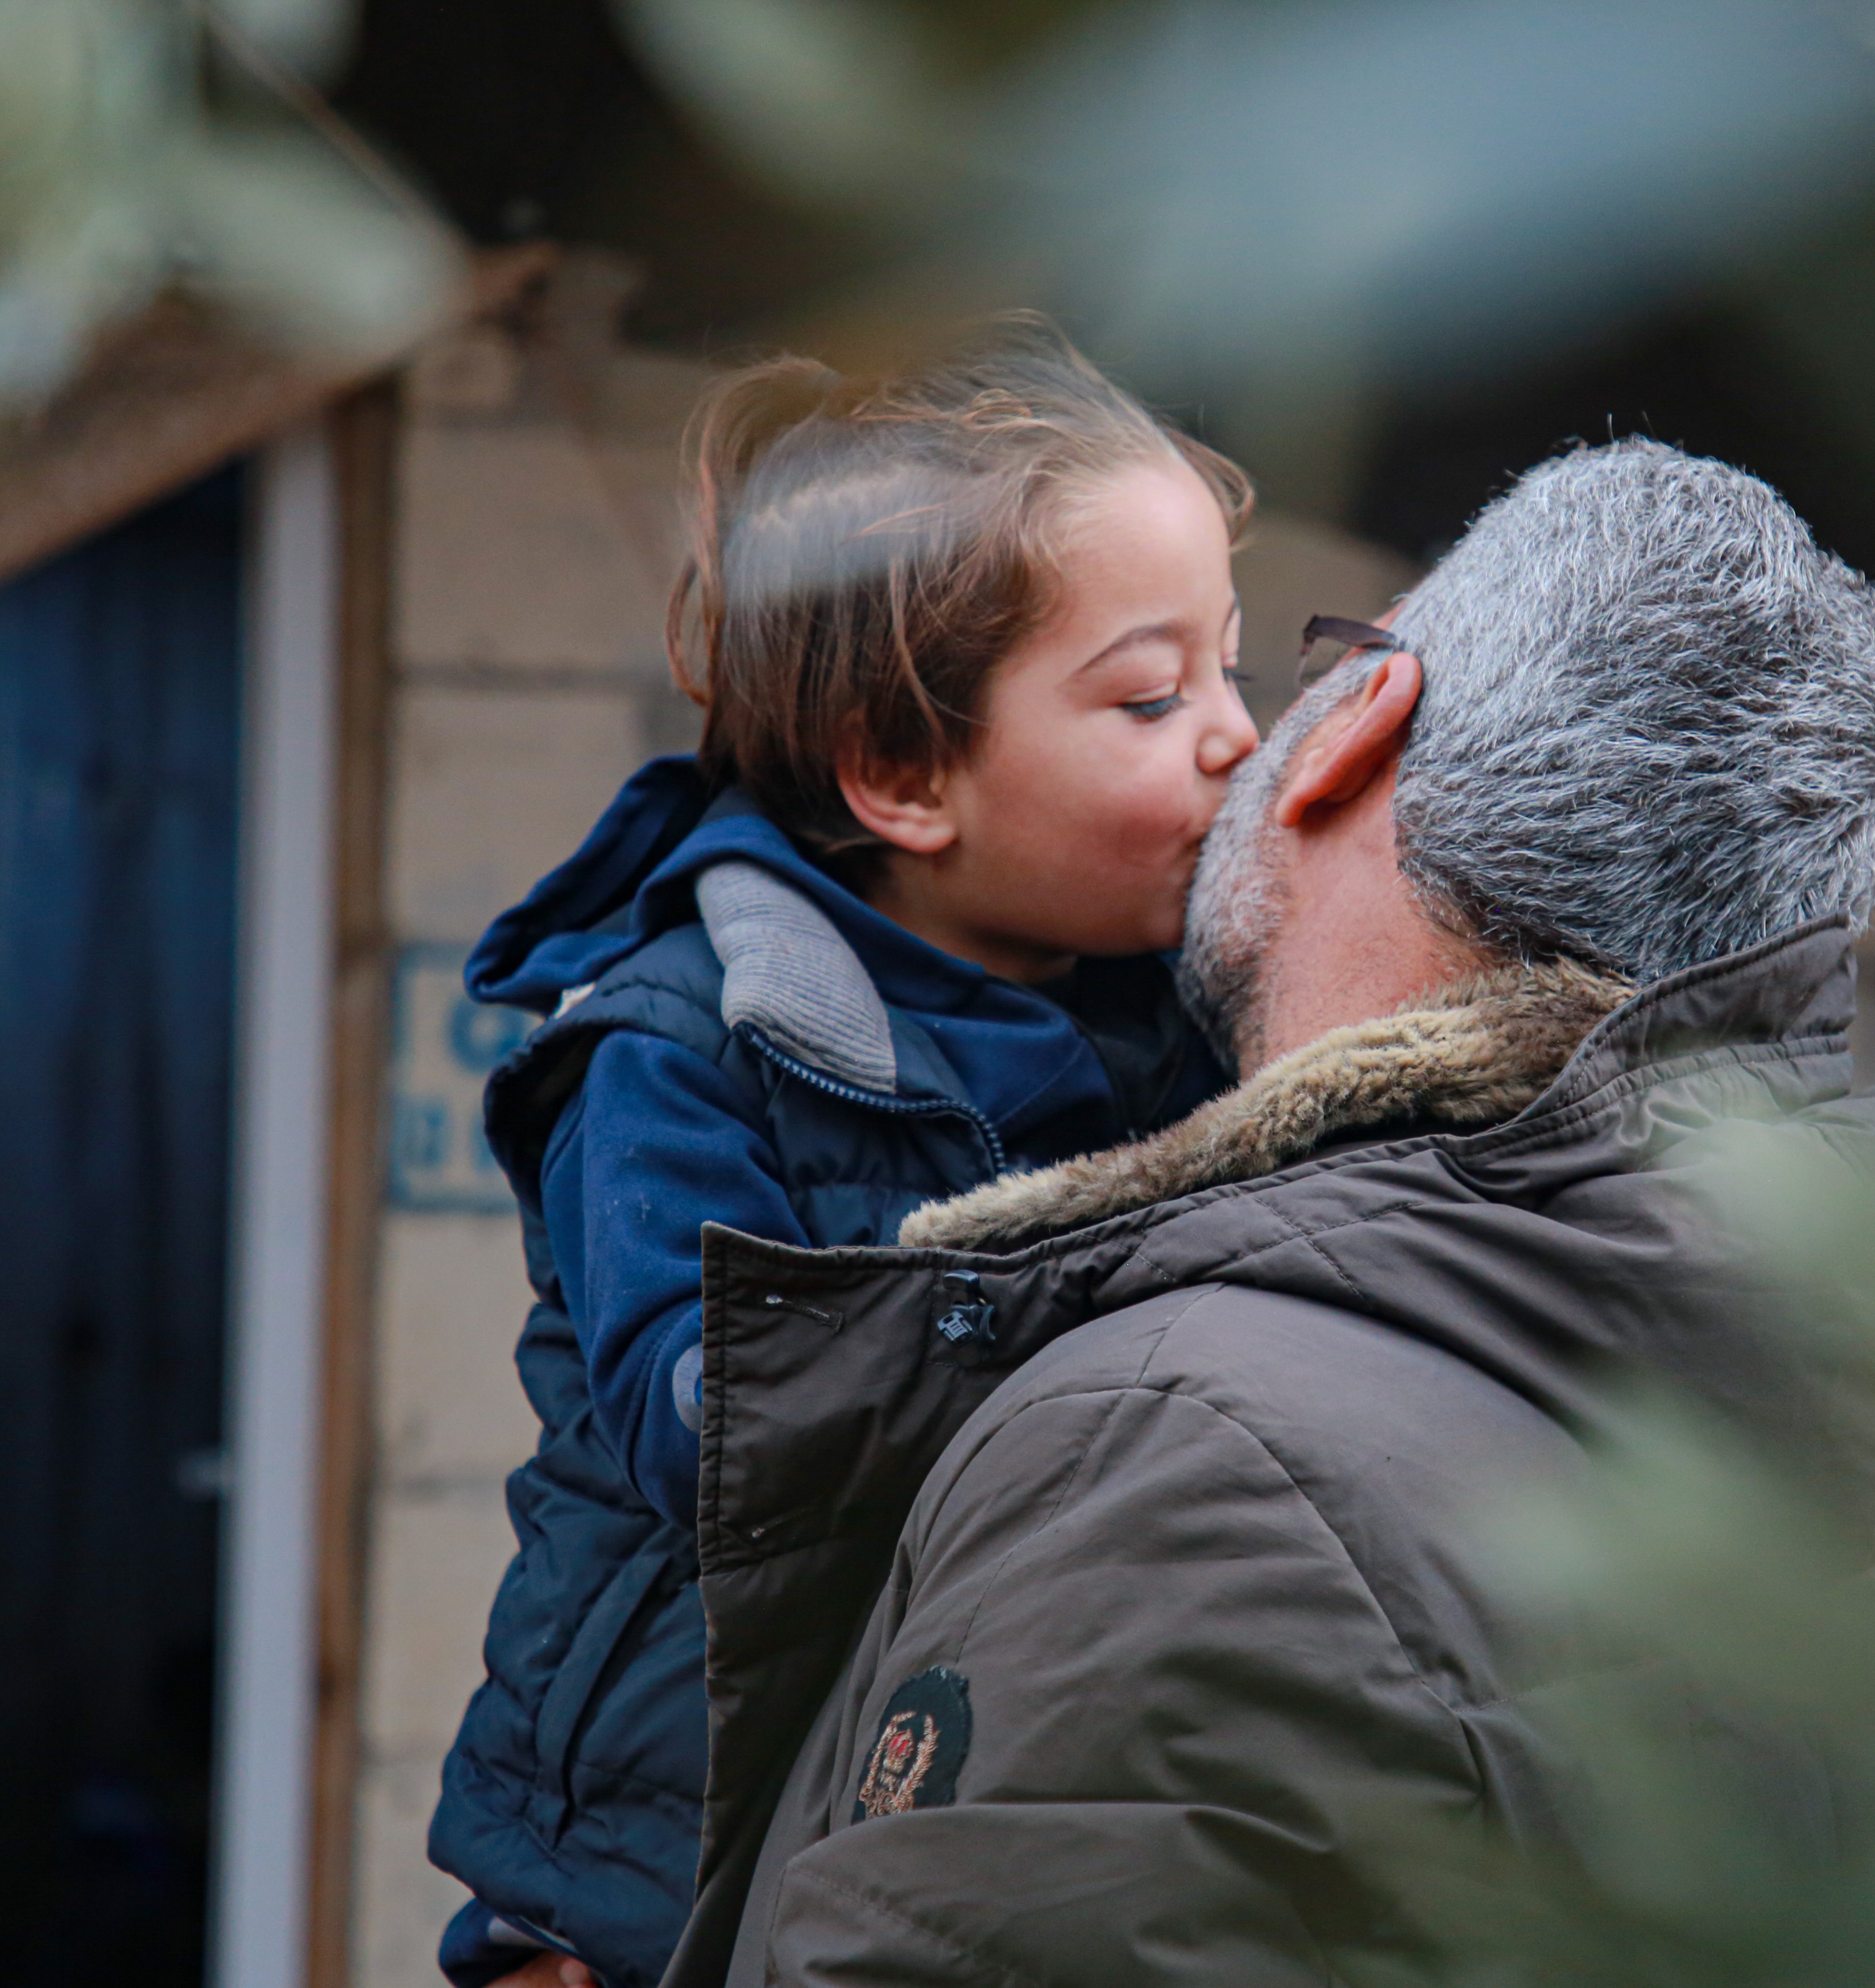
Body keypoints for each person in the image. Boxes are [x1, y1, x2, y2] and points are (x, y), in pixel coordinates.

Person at [659, 438, 1875, 1987]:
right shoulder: (1734, 1425)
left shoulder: (1181, 1462)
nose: (1228, 742)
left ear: (1363, 724)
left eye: (1278, 671)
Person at [432, 321, 1261, 1988]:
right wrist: (1079, 1287)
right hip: (633, 1891)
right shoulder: (671, 1054)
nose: (1236, 736)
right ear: (901, 774)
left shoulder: (1191, 1025)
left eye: (1235, 666)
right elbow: (715, 1430)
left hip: (922, 1831)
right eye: (1155, 695)